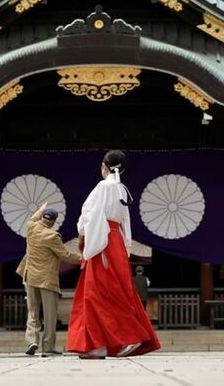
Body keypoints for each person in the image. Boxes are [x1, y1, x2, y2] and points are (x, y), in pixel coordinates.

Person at [67, 150, 161, 359]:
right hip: (115, 239)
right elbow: (125, 222)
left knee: (96, 292)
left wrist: (83, 235)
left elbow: (89, 214)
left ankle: (117, 340)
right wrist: (125, 246)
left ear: (104, 166)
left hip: (102, 241)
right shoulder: (121, 189)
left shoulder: (103, 186)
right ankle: (106, 343)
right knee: (116, 290)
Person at [16, 203, 82, 357]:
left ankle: (32, 340)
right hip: (47, 280)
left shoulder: (30, 227)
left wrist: (41, 208)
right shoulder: (53, 236)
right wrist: (84, 259)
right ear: (52, 222)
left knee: (32, 311)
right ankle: (48, 347)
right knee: (50, 315)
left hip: (30, 276)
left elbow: (33, 218)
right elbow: (65, 255)